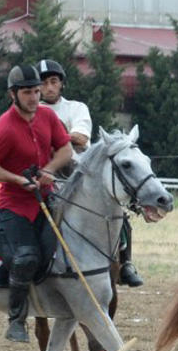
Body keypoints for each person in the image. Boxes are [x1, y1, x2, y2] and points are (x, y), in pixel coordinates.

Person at [0, 64, 73, 343]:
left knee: (61, 251)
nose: (34, 97)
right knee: (26, 256)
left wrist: (50, 170)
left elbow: (65, 149)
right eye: (28, 92)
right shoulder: (3, 127)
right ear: (13, 95)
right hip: (15, 205)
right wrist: (17, 180)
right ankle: (16, 319)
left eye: (36, 91)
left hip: (47, 197)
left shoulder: (47, 116)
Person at [37, 58, 144, 288]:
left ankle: (126, 262)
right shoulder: (30, 110)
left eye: (53, 81)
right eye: (43, 83)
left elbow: (81, 140)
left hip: (77, 177)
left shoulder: (76, 108)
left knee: (117, 209)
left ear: (61, 84)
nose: (49, 87)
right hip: (42, 177)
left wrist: (48, 135)